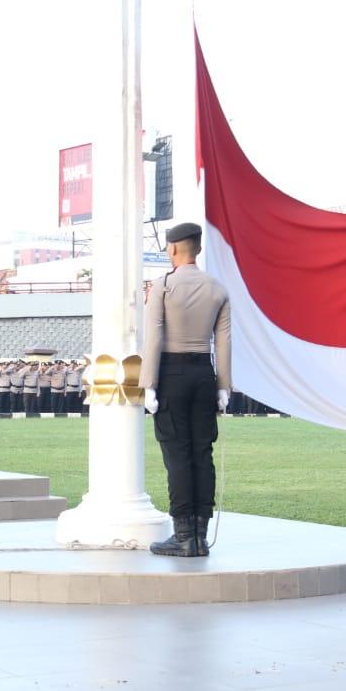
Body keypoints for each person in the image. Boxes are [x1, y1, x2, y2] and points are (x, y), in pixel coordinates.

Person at [139, 222, 232, 558]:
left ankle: (183, 536)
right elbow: (223, 342)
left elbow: (154, 337)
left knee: (177, 455)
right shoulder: (217, 288)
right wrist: (223, 386)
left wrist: (148, 384)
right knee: (202, 454)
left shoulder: (163, 286)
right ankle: (200, 536)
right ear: (199, 248)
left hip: (171, 374)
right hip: (204, 374)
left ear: (173, 248)